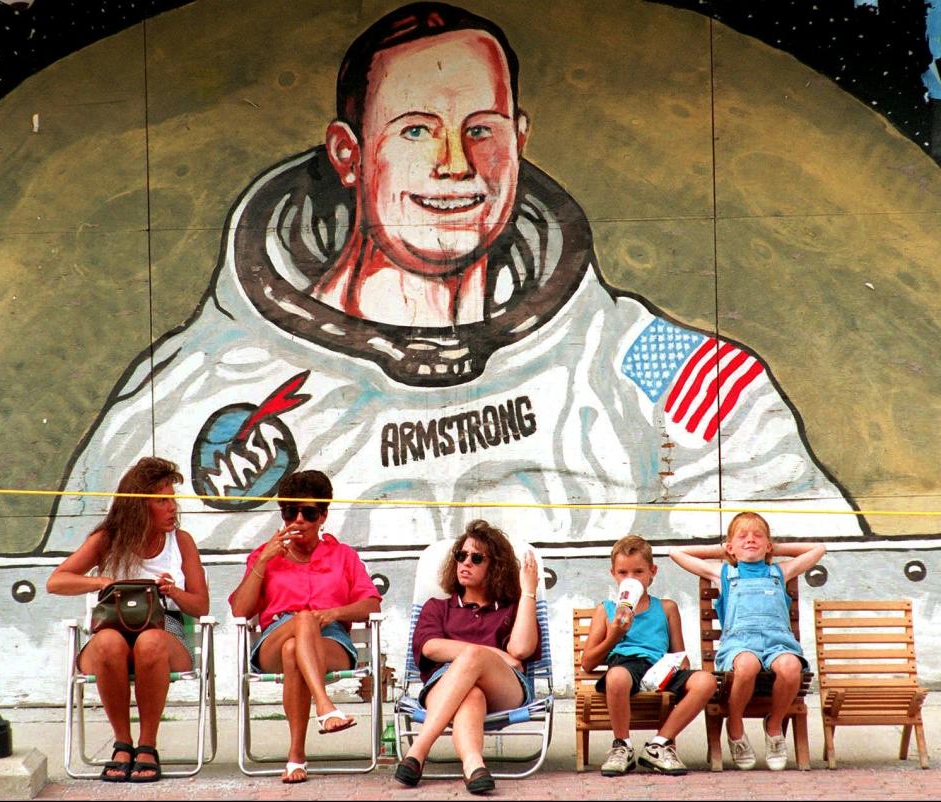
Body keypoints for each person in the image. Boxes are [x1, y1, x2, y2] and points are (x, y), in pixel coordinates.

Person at [42, 1, 867, 561]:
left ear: (521, 138)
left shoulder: (666, 375)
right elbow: (80, 598)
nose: (453, 165)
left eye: (481, 130)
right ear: (347, 153)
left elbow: (794, 570)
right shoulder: (193, 402)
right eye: (413, 131)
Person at [45, 457, 209, 783]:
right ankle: (123, 743)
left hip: (164, 628)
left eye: (173, 500)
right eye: (162, 501)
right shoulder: (108, 539)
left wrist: (173, 592)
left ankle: (148, 745)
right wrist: (100, 582)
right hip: (113, 627)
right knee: (108, 641)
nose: (172, 508)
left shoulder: (182, 542)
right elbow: (56, 581)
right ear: (138, 506)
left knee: (149, 641)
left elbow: (201, 606)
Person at [227, 469, 382, 784]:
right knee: (301, 622)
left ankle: (296, 755)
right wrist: (262, 561)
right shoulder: (265, 555)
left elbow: (371, 605)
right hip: (274, 637)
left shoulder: (342, 556)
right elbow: (240, 610)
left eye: (308, 513)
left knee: (295, 648)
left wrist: (336, 612)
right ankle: (324, 706)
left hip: (330, 641)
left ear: (323, 516)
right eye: (289, 512)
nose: (298, 520)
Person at [668, 511, 826, 771]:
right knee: (747, 665)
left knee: (791, 667)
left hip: (779, 644)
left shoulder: (780, 571)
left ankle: (774, 726)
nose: (751, 540)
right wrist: (726, 551)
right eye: (743, 536)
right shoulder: (724, 575)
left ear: (768, 544)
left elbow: (818, 549)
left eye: (758, 536)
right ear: (730, 546)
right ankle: (736, 725)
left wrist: (774, 549)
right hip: (739, 645)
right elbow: (676, 553)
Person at [395, 519, 541, 795]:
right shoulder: (438, 607)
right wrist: (497, 653)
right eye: (461, 556)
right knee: (471, 693)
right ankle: (474, 765)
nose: (466, 563)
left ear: (495, 566)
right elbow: (430, 648)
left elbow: (520, 651)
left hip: (505, 689)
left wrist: (528, 592)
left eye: (476, 558)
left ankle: (418, 751)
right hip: (443, 686)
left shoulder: (512, 609)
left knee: (473, 656)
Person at [581, 535, 717, 776]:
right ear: (613, 573)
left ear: (652, 572)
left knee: (706, 681)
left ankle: (659, 744)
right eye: (623, 573)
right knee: (617, 677)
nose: (630, 579)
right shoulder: (606, 610)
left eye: (638, 572)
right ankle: (622, 745)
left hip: (661, 668)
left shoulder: (666, 608)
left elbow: (679, 653)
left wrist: (680, 670)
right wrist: (614, 634)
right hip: (625, 665)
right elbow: (588, 663)